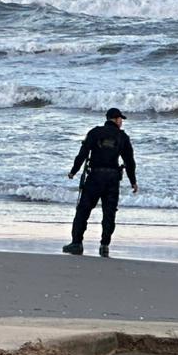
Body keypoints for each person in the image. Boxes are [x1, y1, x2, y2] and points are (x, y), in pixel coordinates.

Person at [63, 108, 138, 258]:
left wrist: (73, 171)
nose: (121, 122)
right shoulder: (122, 137)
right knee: (109, 212)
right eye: (121, 119)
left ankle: (77, 243)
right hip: (113, 179)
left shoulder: (95, 132)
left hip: (95, 177)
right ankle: (104, 246)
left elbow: (83, 153)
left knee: (83, 209)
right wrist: (133, 181)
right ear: (116, 119)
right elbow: (129, 161)